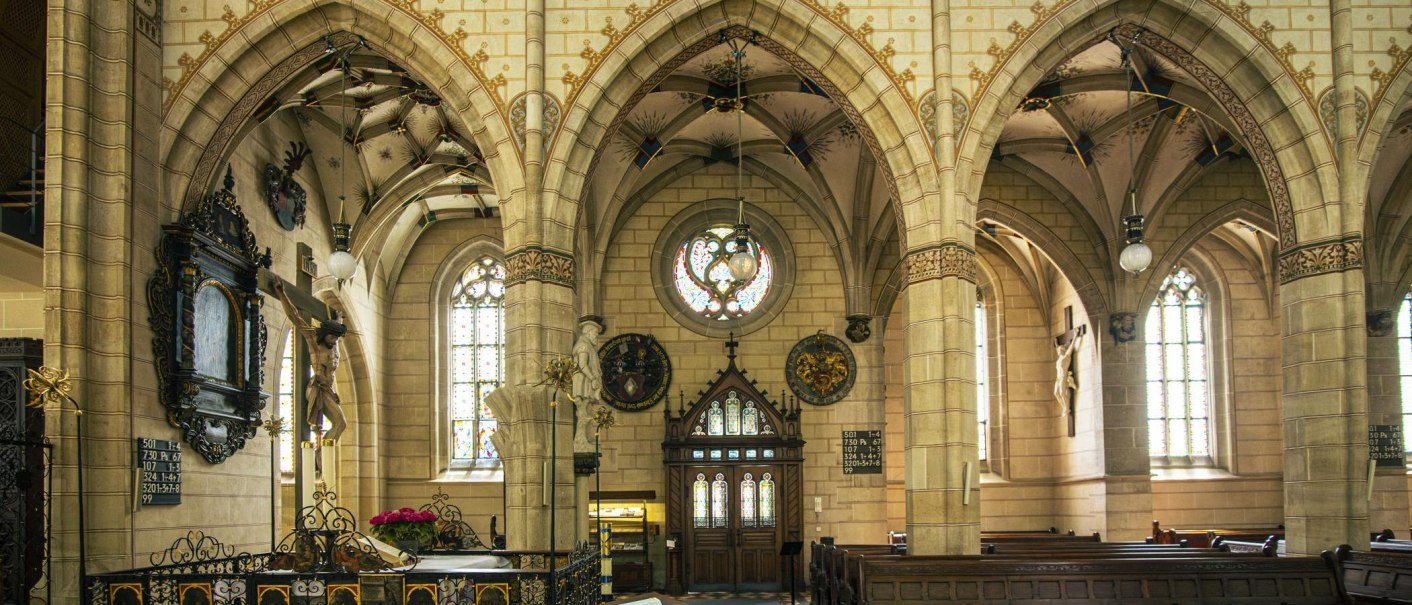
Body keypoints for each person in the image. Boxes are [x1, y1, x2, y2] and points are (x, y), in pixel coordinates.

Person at [273, 281, 348, 443]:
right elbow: (295, 317)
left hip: (329, 389)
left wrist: (339, 320)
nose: (334, 340)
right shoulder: (314, 341)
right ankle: (320, 458)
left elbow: (337, 332)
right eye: (331, 336)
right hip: (317, 387)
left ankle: (322, 456)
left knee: (340, 424)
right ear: (324, 334)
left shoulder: (334, 344)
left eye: (336, 337)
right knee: (340, 423)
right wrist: (281, 294)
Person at [572, 320, 604, 452]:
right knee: (582, 412)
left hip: (586, 382)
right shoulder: (583, 346)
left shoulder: (588, 345)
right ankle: (580, 440)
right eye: (595, 333)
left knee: (586, 411)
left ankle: (584, 437)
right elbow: (582, 365)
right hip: (583, 383)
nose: (596, 336)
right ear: (589, 332)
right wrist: (592, 379)